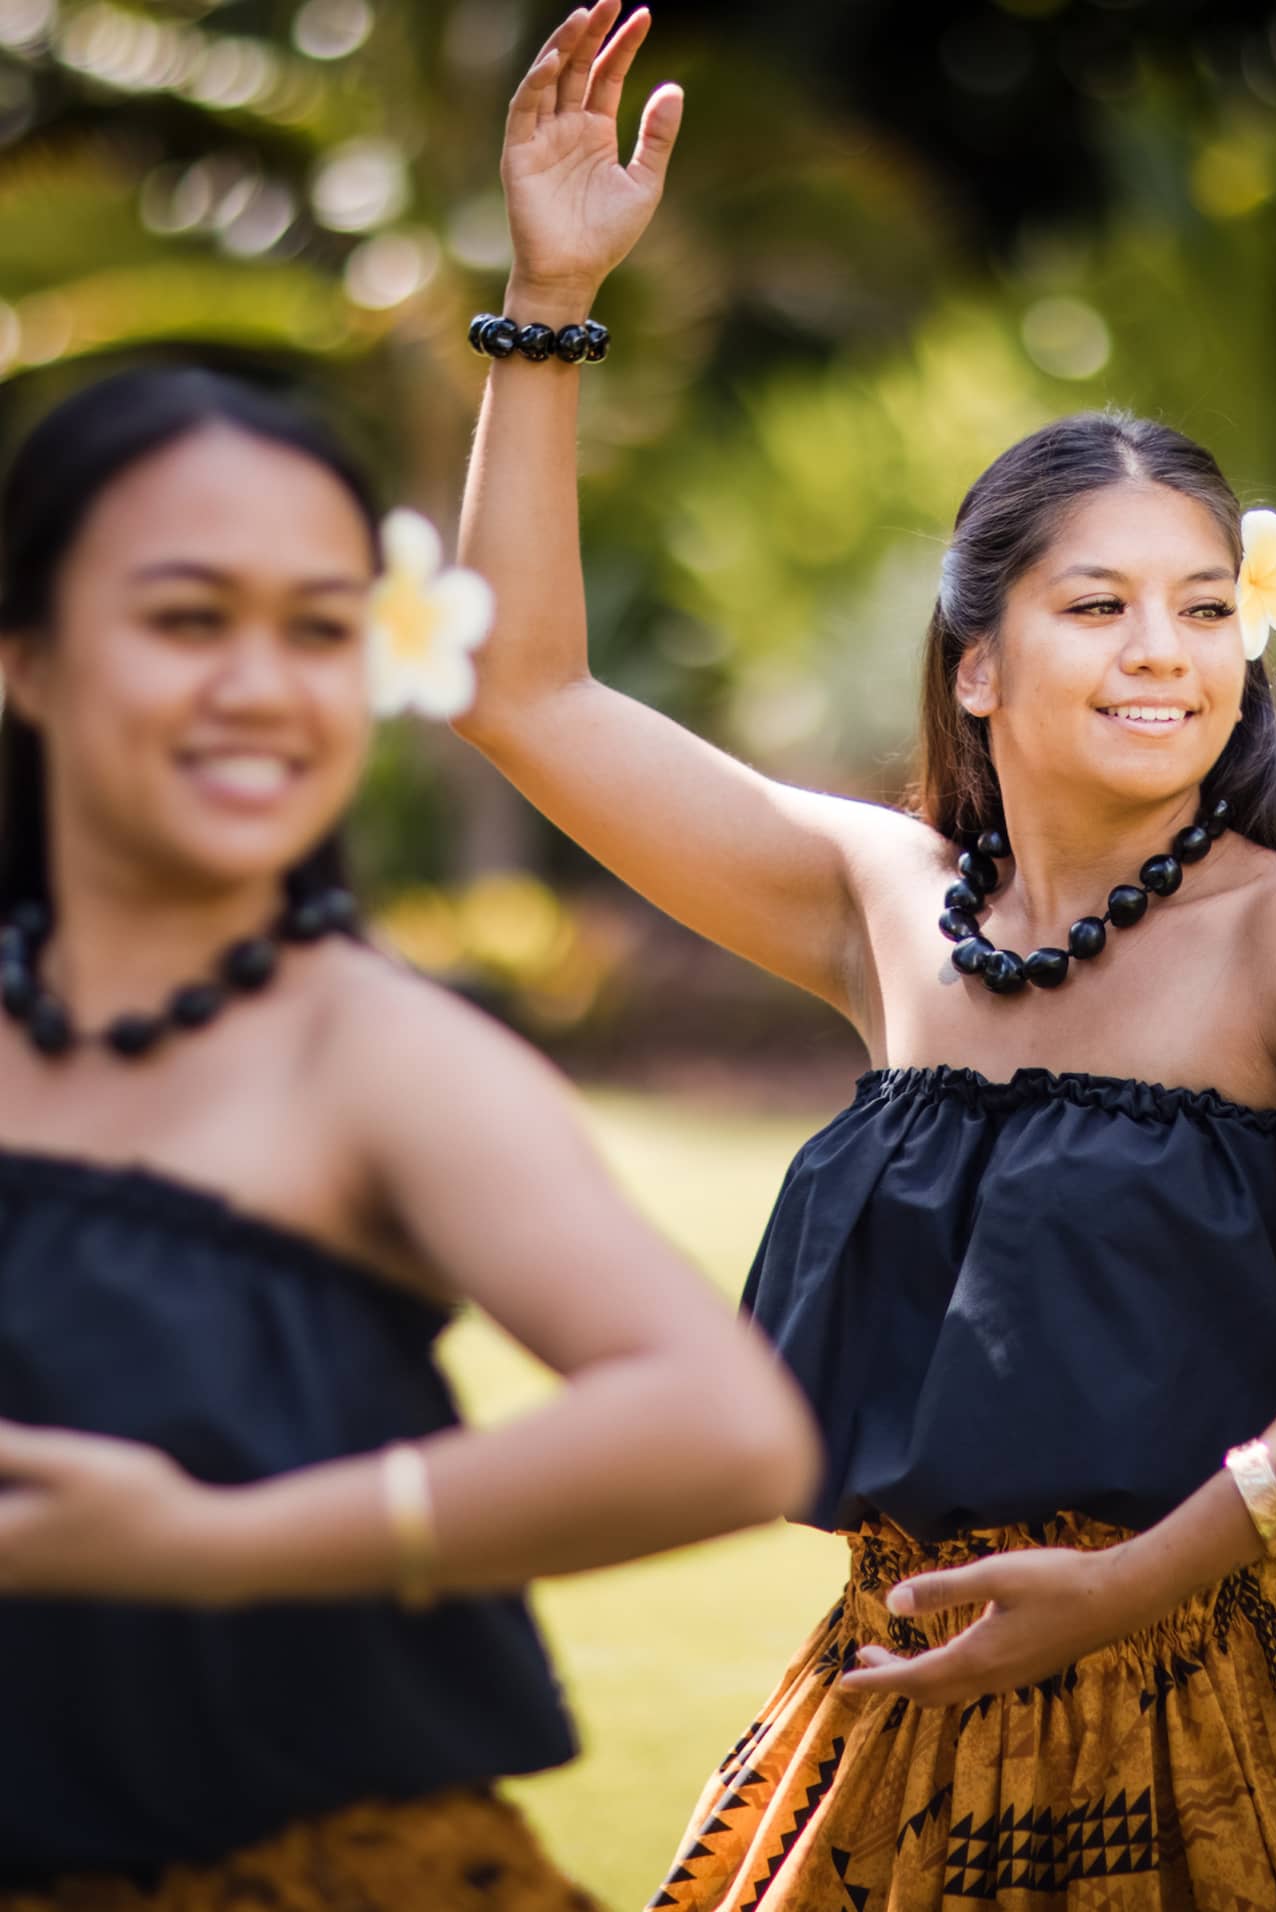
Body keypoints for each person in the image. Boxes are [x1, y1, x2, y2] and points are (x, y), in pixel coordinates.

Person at [455, 6, 1276, 1903]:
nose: (1164, 651)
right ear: (976, 662)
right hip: (900, 1694)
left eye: (1207, 610)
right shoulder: (879, 908)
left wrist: (1144, 1573)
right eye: (1098, 604)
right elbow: (519, 687)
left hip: (1239, 1696)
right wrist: (548, 301)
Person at [0, 361, 820, 1911]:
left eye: (319, 630)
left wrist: (217, 1548)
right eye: (189, 621)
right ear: (28, 662)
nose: (264, 685)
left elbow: (723, 1429)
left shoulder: (377, 1057)